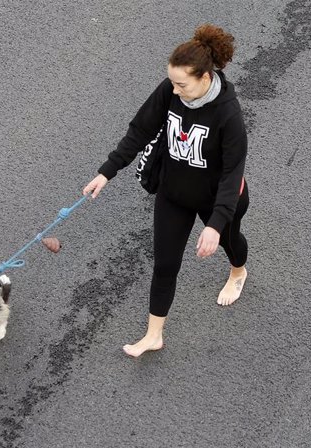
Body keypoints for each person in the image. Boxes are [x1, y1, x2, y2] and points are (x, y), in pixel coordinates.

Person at [82, 24, 249, 358]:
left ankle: (238, 271)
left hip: (219, 199)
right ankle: (153, 334)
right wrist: (107, 172)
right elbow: (141, 129)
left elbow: (233, 174)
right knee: (165, 264)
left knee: (231, 243)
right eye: (172, 82)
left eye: (181, 84)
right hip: (174, 193)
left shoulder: (228, 115)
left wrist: (214, 226)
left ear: (204, 78)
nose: (174, 91)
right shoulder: (170, 90)